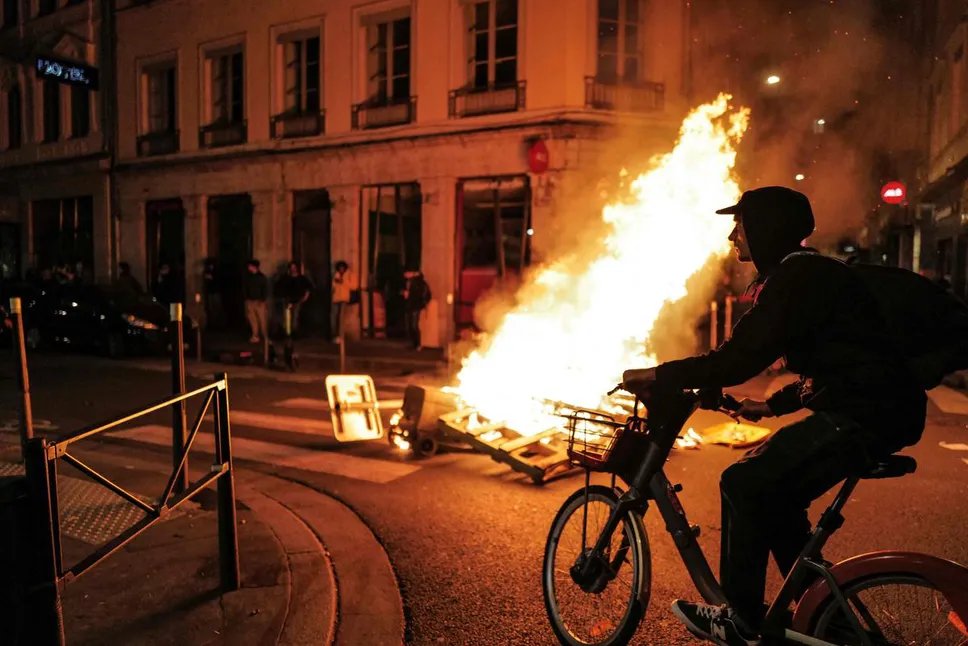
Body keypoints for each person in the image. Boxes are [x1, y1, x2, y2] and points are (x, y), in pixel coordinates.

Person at [621, 186, 926, 645]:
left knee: (744, 482)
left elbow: (739, 357)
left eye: (740, 226)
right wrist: (770, 405)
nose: (732, 236)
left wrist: (660, 374)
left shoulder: (796, 278)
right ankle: (826, 623)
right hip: (875, 407)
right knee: (776, 499)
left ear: (766, 229)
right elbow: (838, 360)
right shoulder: (806, 274)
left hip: (866, 414)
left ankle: (738, 618)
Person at [276, 261, 313, 336]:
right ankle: (286, 332)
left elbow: (308, 287)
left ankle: (294, 332)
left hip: (297, 299)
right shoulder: (285, 278)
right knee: (286, 316)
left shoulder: (301, 278)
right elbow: (279, 287)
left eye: (294, 267)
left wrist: (305, 297)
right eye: (291, 268)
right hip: (287, 299)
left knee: (295, 316)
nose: (293, 269)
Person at [403, 268, 431, 349]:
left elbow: (419, 294)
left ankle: (417, 343)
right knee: (411, 325)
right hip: (412, 305)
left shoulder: (417, 282)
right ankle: (415, 343)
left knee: (413, 325)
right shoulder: (412, 282)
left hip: (414, 305)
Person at [243, 258, 269, 343]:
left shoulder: (261, 277)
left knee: (262, 319)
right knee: (252, 320)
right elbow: (245, 288)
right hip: (250, 300)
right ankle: (255, 335)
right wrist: (246, 299)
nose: (248, 268)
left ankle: (265, 336)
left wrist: (262, 299)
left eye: (250, 266)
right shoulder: (248, 277)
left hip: (259, 301)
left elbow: (265, 289)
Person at [331, 260, 355, 342]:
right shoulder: (336, 274)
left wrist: (343, 282)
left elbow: (353, 286)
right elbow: (333, 286)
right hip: (336, 298)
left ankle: (341, 335)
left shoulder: (349, 275)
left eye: (342, 268)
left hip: (344, 298)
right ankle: (335, 335)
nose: (341, 269)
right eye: (339, 268)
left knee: (341, 317)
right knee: (334, 317)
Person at [202, 257, 224, 330]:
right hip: (211, 292)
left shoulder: (217, 271)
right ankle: (213, 324)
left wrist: (211, 278)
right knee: (211, 308)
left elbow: (217, 280)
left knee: (216, 308)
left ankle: (218, 324)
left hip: (216, 292)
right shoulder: (208, 271)